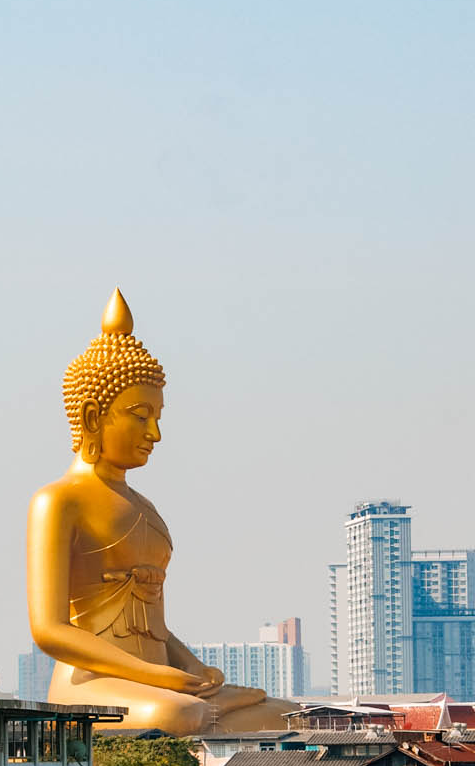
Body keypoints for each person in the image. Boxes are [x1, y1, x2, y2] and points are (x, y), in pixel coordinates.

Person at [26, 288, 296, 735]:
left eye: (157, 416)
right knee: (180, 714)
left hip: (161, 683)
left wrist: (191, 667)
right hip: (94, 685)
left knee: (286, 713)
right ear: (94, 415)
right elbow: (49, 630)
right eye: (140, 415)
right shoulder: (57, 501)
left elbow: (155, 627)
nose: (154, 432)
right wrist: (154, 677)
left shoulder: (144, 508)